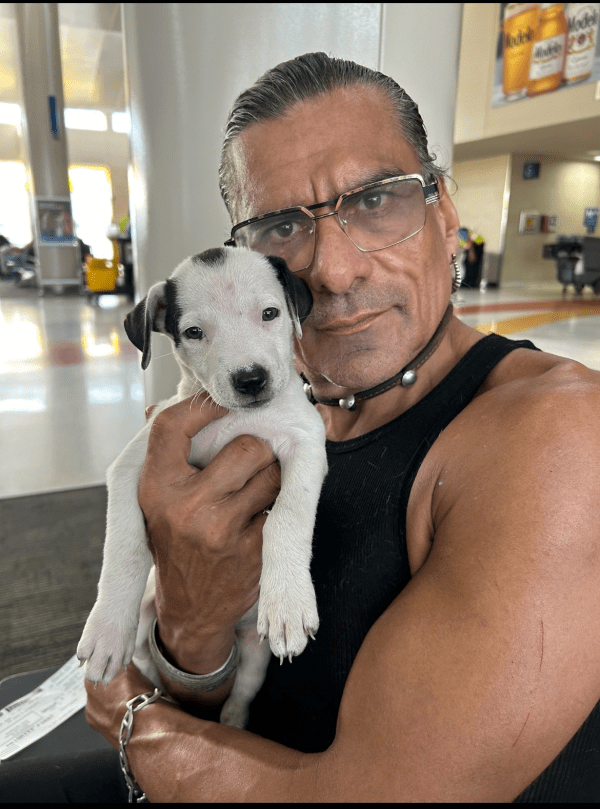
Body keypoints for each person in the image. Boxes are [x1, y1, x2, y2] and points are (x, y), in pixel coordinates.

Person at [3, 52, 600, 802]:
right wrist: (192, 625)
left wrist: (130, 719)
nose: (335, 271)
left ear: (444, 213)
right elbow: (205, 680)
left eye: (376, 199)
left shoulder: (557, 433)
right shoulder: (277, 410)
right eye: (281, 224)